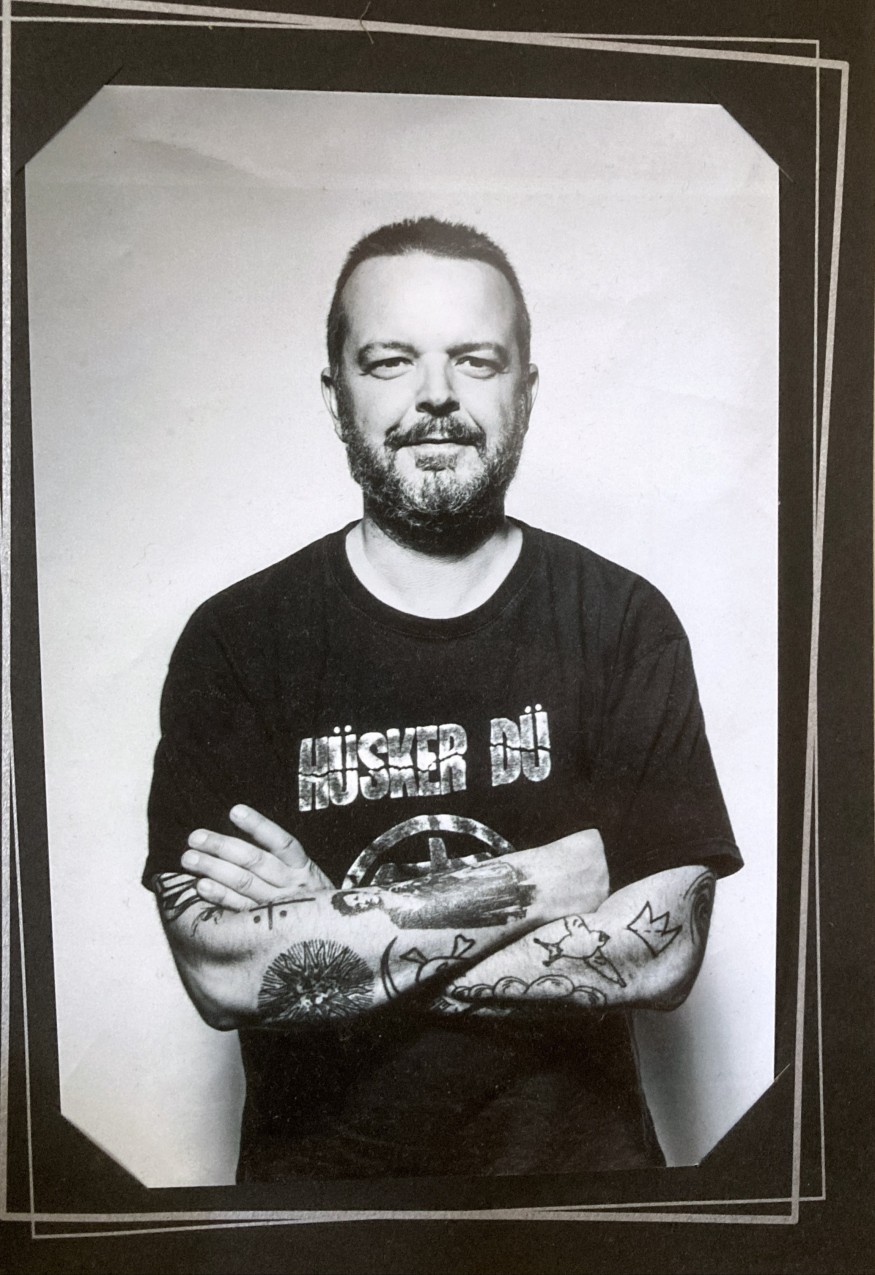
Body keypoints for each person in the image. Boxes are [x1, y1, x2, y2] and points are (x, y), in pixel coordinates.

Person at [143, 216, 742, 1182]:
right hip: (322, 1224)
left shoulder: (622, 622)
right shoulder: (236, 644)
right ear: (336, 396)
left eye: (474, 359)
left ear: (525, 392)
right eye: (389, 361)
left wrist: (329, 923)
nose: (435, 395)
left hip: (584, 1212)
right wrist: (546, 880)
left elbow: (658, 955)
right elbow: (224, 970)